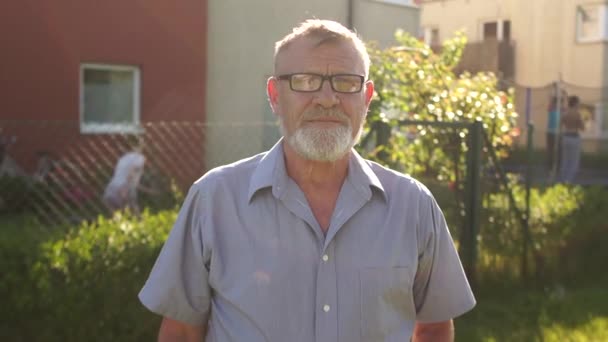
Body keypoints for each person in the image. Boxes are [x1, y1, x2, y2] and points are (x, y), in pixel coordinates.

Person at [139, 19, 476, 341]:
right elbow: (181, 333)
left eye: (346, 82)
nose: (327, 99)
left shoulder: (413, 206)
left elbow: (433, 330)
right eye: (304, 80)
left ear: (367, 97)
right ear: (274, 95)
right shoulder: (213, 200)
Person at [102, 148, 147, 215]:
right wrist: (125, 187)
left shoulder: (123, 158)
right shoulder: (140, 157)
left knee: (110, 203)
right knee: (132, 206)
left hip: (113, 186)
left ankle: (120, 220)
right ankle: (139, 221)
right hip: (125, 185)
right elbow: (131, 173)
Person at [558, 95, 585, 183]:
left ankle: (562, 179)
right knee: (573, 161)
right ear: (575, 103)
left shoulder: (565, 113)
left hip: (565, 137)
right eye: (578, 103)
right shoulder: (577, 113)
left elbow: (560, 125)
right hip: (574, 137)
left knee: (565, 159)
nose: (579, 105)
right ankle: (569, 181)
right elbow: (582, 127)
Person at [546, 91, 566, 172]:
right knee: (551, 150)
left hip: (559, 133)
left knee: (559, 150)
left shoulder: (561, 110)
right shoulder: (551, 109)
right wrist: (553, 92)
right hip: (551, 132)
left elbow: (565, 104)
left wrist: (564, 95)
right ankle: (550, 166)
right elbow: (550, 102)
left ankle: (557, 166)